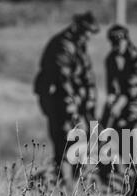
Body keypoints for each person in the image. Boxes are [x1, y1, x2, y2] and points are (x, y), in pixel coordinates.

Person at [33, 11, 99, 183]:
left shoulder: (79, 43)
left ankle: (78, 177)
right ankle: (65, 181)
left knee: (84, 134)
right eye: (86, 32)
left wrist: (90, 99)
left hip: (74, 98)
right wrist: (75, 103)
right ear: (78, 28)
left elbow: (86, 74)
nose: (88, 37)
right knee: (65, 137)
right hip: (58, 99)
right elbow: (63, 79)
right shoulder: (62, 45)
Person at [99, 24, 137, 185]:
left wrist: (119, 104)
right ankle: (107, 174)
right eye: (113, 43)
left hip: (136, 102)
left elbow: (134, 89)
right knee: (104, 130)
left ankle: (135, 175)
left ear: (126, 40)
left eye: (119, 43)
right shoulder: (110, 59)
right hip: (119, 100)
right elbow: (112, 85)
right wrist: (111, 99)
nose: (116, 46)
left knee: (126, 131)